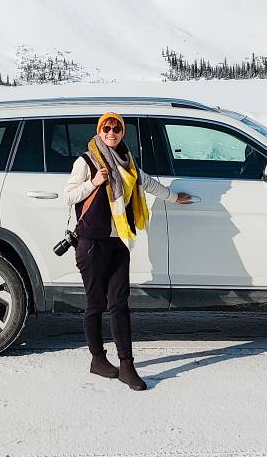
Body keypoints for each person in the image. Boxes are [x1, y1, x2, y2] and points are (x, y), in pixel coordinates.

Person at [64, 112, 192, 391]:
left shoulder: (127, 161)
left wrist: (174, 197)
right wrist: (94, 183)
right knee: (95, 304)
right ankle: (97, 359)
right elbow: (69, 196)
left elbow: (146, 182)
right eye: (107, 128)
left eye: (117, 128)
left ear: (123, 132)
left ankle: (126, 364)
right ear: (100, 130)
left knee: (120, 303)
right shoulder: (86, 161)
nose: (112, 132)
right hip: (92, 242)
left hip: (119, 240)